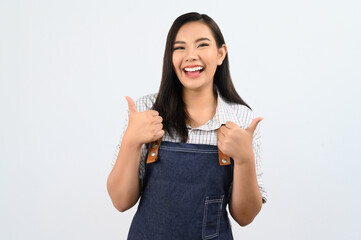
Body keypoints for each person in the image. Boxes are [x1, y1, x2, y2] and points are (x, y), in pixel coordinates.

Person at [107, 12, 267, 239]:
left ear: (220, 54)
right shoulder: (145, 111)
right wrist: (131, 142)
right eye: (179, 48)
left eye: (202, 45)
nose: (191, 56)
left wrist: (244, 158)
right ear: (170, 57)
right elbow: (120, 202)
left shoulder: (241, 119)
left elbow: (245, 216)